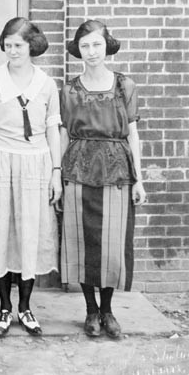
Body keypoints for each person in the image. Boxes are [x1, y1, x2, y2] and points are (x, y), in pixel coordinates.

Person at [0, 18, 61, 337]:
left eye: (19, 45)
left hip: (36, 164)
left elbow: (52, 129)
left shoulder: (47, 84)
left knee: (29, 234)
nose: (13, 50)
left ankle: (26, 306)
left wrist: (56, 174)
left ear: (31, 46)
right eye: (8, 45)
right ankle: (4, 307)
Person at [60, 20, 146, 338]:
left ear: (106, 46)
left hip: (117, 171)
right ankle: (90, 310)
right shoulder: (70, 89)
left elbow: (133, 134)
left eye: (97, 44)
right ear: (78, 51)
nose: (92, 51)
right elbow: (64, 134)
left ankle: (107, 310)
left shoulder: (125, 85)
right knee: (83, 241)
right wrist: (58, 176)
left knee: (111, 243)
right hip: (79, 169)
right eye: (85, 46)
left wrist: (139, 179)